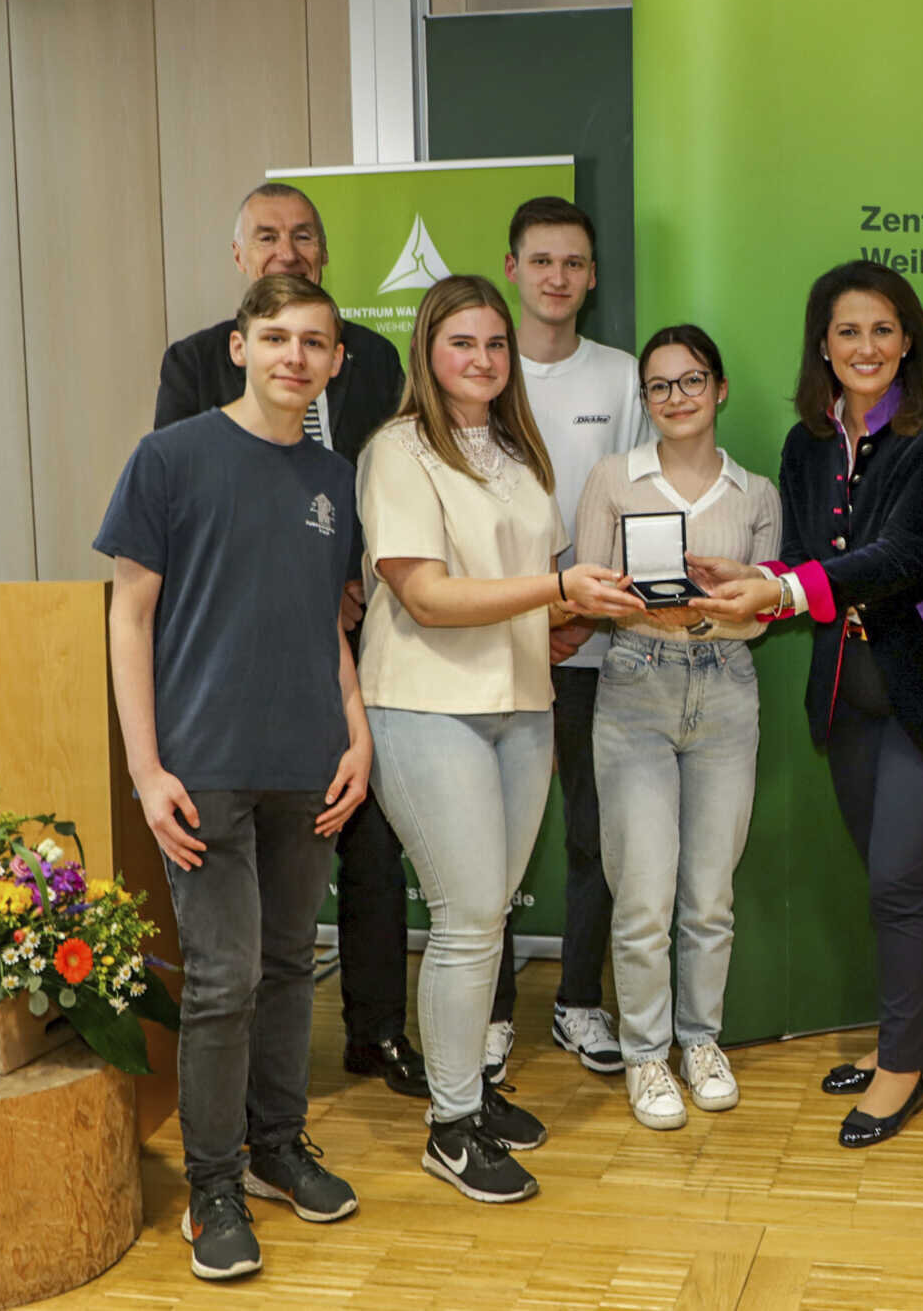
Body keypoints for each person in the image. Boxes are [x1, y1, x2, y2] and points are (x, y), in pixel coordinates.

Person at [694, 261, 923, 1148]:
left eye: (882, 329)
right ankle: (901, 1041)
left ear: (907, 339)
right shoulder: (808, 444)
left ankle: (903, 1069)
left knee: (899, 882)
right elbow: (810, 554)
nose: (866, 347)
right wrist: (759, 577)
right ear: (824, 346)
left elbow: (907, 554)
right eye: (848, 331)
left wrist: (781, 592)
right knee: (889, 880)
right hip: (849, 691)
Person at [99, 274, 371, 1281]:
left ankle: (276, 1146)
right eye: (276, 337)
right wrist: (145, 766)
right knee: (222, 979)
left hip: (309, 762)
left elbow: (329, 628)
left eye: (314, 341)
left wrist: (356, 734)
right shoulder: (168, 459)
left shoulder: (334, 479)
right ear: (239, 347)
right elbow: (128, 617)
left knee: (294, 965)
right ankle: (212, 1183)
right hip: (202, 766)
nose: (295, 355)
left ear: (336, 361)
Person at [356, 274, 642, 1204]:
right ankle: (449, 1125)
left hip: (522, 704)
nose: (480, 360)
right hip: (425, 705)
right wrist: (559, 595)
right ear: (427, 353)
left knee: (492, 913)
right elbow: (428, 596)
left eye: (493, 345)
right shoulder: (398, 451)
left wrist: (589, 607)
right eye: (460, 343)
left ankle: (470, 1094)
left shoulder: (520, 455)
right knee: (469, 912)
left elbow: (536, 581)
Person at [153, 181, 425, 1099]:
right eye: (266, 235)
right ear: (240, 260)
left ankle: (374, 1032)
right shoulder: (194, 367)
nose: (286, 248)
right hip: (225, 693)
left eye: (303, 235)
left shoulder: (378, 362)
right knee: (237, 964)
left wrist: (348, 580)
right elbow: (180, 530)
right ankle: (225, 1155)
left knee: (366, 858)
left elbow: (392, 479)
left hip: (347, 643)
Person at [573, 324, 779, 1131]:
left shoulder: (754, 492)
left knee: (709, 894)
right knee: (644, 891)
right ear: (645, 399)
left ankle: (701, 1041)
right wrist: (622, 597)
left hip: (726, 684)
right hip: (636, 683)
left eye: (691, 381)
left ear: (719, 389)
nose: (676, 398)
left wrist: (729, 602)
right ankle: (647, 1054)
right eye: (659, 386)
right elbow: (582, 597)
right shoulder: (613, 479)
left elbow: (766, 614)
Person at [486, 195, 650, 1083]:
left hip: (591, 643)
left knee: (594, 834)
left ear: (591, 276)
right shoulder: (478, 367)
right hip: (494, 645)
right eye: (541, 260)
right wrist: (529, 617)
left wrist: (578, 614)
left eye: (573, 263)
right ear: (513, 267)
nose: (557, 277)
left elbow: (631, 504)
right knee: (499, 838)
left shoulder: (623, 376)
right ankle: (494, 1013)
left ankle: (580, 1002)